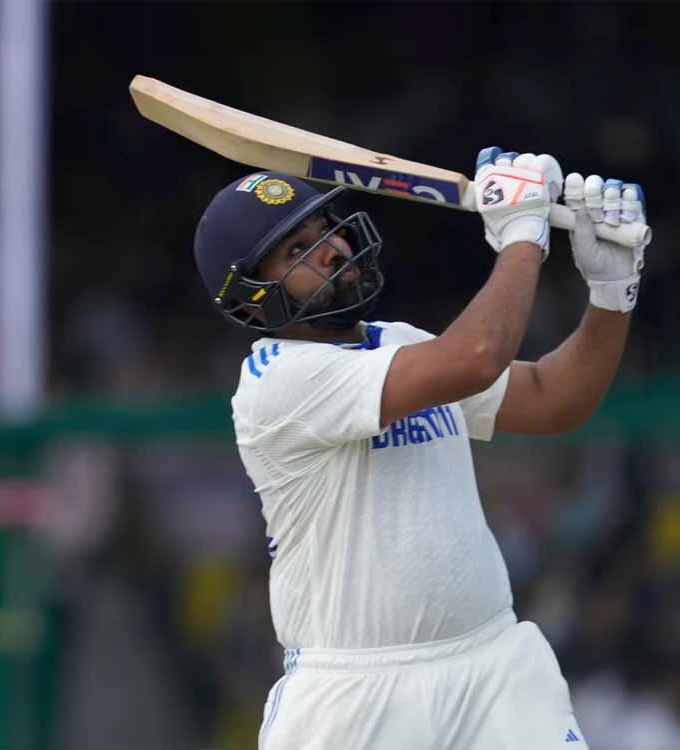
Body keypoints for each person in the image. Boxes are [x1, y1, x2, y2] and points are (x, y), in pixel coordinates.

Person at [192, 148, 650, 750]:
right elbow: (477, 357)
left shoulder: (400, 343)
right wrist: (521, 234)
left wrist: (611, 293)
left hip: (493, 666)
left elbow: (552, 399)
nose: (331, 248)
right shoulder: (278, 382)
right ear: (254, 297)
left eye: (325, 228)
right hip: (355, 697)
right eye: (297, 249)